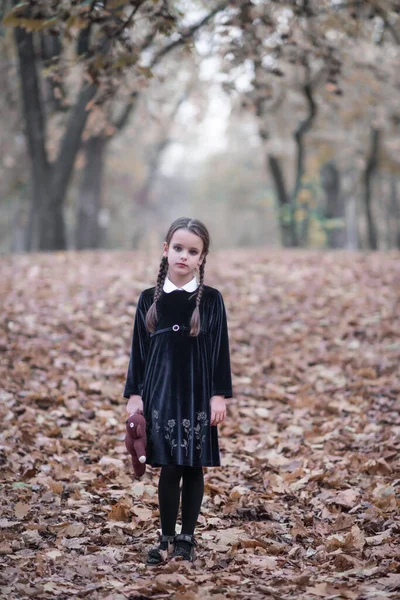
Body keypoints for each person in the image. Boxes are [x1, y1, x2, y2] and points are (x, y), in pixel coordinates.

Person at [123, 217, 233, 565]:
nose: (184, 256)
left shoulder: (211, 301)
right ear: (166, 250)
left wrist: (219, 394)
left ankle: (188, 538)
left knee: (193, 467)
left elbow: (220, 351)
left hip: (198, 395)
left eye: (193, 251)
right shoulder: (148, 300)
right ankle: (166, 537)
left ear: (202, 257)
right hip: (161, 396)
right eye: (179, 248)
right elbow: (138, 353)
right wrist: (135, 394)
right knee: (170, 467)